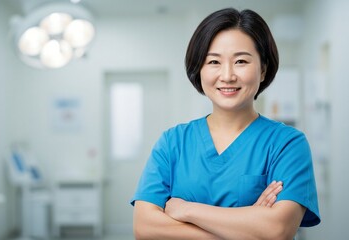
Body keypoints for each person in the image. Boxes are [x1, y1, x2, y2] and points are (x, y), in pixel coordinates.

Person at [130, 7, 320, 240]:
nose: (228, 75)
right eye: (213, 62)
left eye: (241, 61)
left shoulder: (287, 144)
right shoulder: (173, 142)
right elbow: (145, 227)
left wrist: (187, 210)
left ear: (263, 69)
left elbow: (277, 230)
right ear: (199, 69)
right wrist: (248, 224)